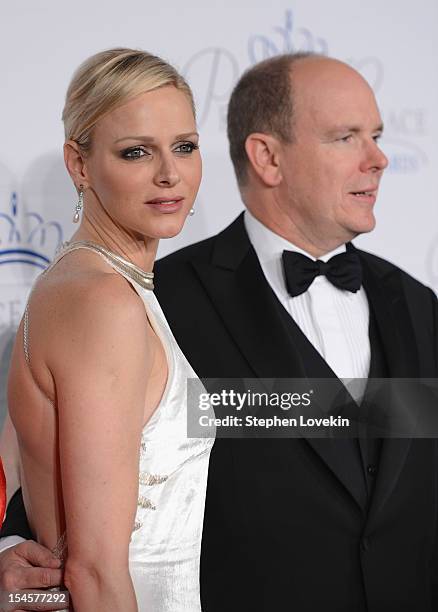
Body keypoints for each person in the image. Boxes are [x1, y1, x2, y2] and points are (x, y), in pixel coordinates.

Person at [2, 52, 438, 611]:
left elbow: (378, 454)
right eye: (345, 137)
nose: (378, 159)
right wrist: (16, 553)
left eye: (375, 135)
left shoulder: (417, 305)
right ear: (266, 157)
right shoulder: (162, 299)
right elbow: (61, 471)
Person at [0, 47, 214, 611]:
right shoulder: (102, 303)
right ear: (79, 165)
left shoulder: (86, 286)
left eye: (185, 147)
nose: (170, 173)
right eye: (136, 152)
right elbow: (94, 571)